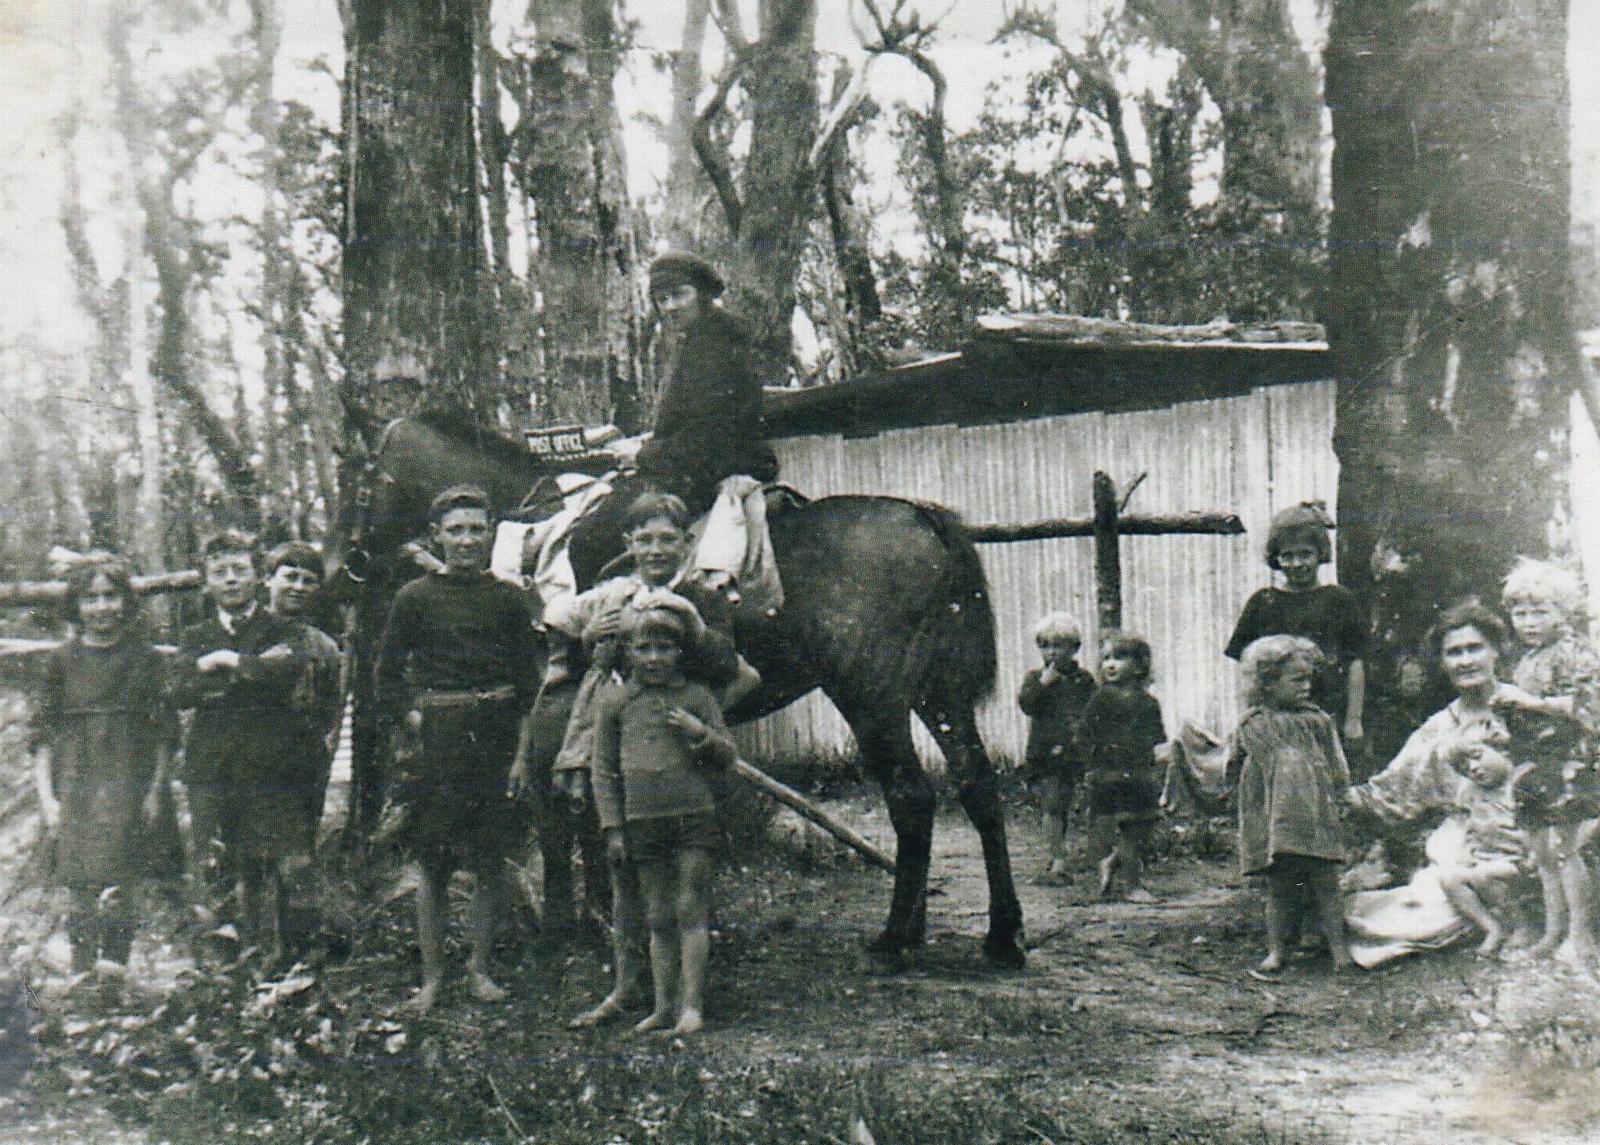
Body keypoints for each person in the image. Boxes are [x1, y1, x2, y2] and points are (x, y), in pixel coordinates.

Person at [510, 492, 739, 1027]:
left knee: (686, 888)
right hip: (622, 744)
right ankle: (626, 986)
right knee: (621, 874)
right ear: (628, 544)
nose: (655, 549)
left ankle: (689, 996)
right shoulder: (614, 595)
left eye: (666, 538)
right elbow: (571, 647)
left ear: (685, 542)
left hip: (685, 753)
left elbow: (729, 666)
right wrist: (596, 639)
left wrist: (692, 636)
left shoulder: (701, 596)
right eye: (644, 539)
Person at [374, 486, 542, 1011]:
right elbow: (385, 677)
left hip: (495, 736)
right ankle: (431, 979)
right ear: (436, 536)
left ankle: (480, 969)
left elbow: (529, 686)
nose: (467, 540)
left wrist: (519, 755)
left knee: (490, 859)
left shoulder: (511, 600)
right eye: (456, 530)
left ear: (491, 533)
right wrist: (415, 718)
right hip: (440, 740)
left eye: (476, 529)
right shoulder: (414, 598)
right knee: (434, 863)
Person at [590, 599, 736, 1036]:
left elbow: (727, 754)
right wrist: (614, 828)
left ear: (680, 653)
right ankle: (661, 1006)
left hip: (693, 815)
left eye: (664, 648)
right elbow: (603, 769)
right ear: (628, 652)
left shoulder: (697, 696)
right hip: (641, 821)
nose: (654, 658)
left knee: (691, 908)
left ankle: (691, 1008)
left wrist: (700, 733)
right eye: (644, 648)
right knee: (656, 916)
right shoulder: (615, 701)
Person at [30, 555, 178, 977]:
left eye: (110, 596)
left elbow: (165, 733)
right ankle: (82, 969)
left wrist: (154, 791)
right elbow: (41, 735)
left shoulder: (146, 659)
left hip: (128, 778)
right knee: (79, 881)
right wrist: (48, 799)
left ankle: (114, 971)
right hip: (75, 779)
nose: (101, 607)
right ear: (76, 606)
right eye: (90, 598)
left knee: (124, 877)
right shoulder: (61, 661)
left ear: (125, 601)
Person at [175, 530, 311, 959]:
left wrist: (227, 662)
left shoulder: (282, 628)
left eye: (240, 571)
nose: (231, 580)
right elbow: (179, 690)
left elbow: (284, 673)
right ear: (206, 582)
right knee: (215, 861)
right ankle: (220, 959)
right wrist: (240, 672)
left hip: (268, 763)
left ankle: (271, 955)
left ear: (258, 578)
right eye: (220, 573)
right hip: (211, 765)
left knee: (264, 859)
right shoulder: (195, 634)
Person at [1491, 558, 1600, 965]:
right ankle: (1552, 931)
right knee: (1540, 852)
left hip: (1567, 762)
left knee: (1567, 850)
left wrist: (1531, 702)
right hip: (1531, 764)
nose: (1529, 621)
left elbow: (1587, 706)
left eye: (1541, 611)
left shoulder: (1575, 652)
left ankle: (1580, 936)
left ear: (1564, 612)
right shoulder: (1525, 658)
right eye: (1521, 612)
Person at [1229, 636, 1353, 977]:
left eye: (1309, 679)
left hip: (1315, 813)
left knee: (1326, 881)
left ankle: (1340, 951)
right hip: (1275, 817)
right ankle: (1277, 950)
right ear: (1267, 684)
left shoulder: (1317, 720)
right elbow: (1242, 766)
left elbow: (1336, 762)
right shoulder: (1255, 723)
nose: (1306, 686)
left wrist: (1342, 794)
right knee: (1280, 886)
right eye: (1297, 680)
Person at [633, 252, 778, 518]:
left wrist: (644, 455)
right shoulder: (698, 340)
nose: (670, 307)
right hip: (707, 461)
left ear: (702, 295)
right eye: (662, 299)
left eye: (679, 294)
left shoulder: (715, 344)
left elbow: (710, 430)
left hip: (722, 465)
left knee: (595, 536)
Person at [1226, 502, 1368, 767]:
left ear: (1320, 554)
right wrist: (1248, 716)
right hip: (1274, 719)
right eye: (1287, 556)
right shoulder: (1263, 602)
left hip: (1327, 714)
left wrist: (1353, 720)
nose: (1297, 563)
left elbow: (1355, 662)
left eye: (1305, 554)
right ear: (1276, 558)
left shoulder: (1338, 600)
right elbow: (1245, 667)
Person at [262, 542, 343, 850]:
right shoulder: (248, 632)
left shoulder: (324, 646)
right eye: (290, 577)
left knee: (297, 850)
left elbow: (329, 707)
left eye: (308, 581)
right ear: (268, 579)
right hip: (248, 756)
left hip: (302, 760)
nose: (298, 587)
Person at [1079, 632, 1165, 903]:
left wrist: (1157, 769)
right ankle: (1121, 876)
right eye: (1105, 659)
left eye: (1119, 658)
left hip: (1139, 774)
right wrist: (1091, 767)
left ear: (1140, 666)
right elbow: (1085, 735)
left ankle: (1121, 872)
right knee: (1115, 826)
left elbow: (1156, 740)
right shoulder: (1100, 699)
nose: (1110, 665)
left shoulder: (1149, 703)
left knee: (1138, 828)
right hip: (1108, 773)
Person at [1017, 611, 1095, 883]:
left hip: (1074, 754)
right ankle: (1058, 859)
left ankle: (1075, 853)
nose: (1051, 652)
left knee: (1070, 804)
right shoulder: (1035, 677)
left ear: (1074, 649)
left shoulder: (1083, 680)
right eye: (1045, 646)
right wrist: (1042, 685)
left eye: (1059, 646)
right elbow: (1027, 704)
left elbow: (1092, 711)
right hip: (1046, 754)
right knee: (1052, 805)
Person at [1436, 742, 1531, 957]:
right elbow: (1471, 828)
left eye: (1477, 756)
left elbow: (1538, 829)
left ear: (1501, 750)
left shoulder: (1521, 782)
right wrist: (1467, 852)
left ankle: (1521, 926)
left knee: (1484, 874)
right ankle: (1492, 928)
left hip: (1521, 861)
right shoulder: (1471, 792)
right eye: (1463, 768)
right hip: (1486, 860)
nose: (1472, 767)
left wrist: (1532, 854)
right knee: (1449, 878)